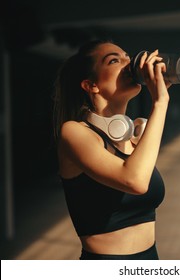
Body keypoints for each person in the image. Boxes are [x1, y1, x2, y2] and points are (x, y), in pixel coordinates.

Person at [53, 39, 170, 260]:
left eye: (128, 57)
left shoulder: (134, 136)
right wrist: (160, 102)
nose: (129, 64)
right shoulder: (74, 133)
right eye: (114, 60)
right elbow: (134, 180)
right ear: (91, 85)